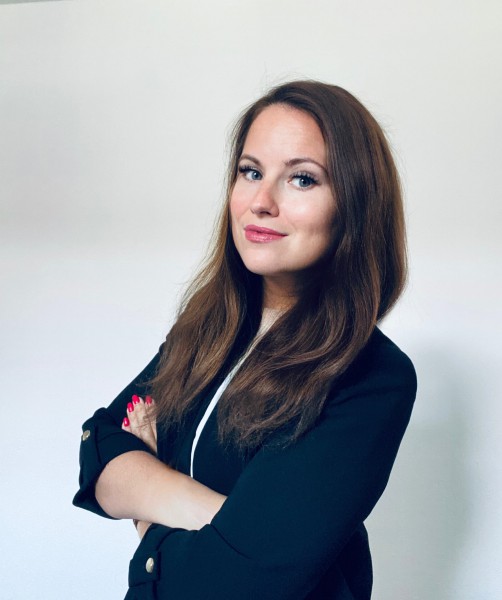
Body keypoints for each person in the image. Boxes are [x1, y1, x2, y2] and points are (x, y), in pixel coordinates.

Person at [73, 80, 417, 599]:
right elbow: (100, 447)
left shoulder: (371, 375)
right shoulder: (206, 328)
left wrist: (146, 512)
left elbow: (238, 582)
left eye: (302, 179)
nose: (261, 201)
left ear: (355, 205)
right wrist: (227, 522)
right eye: (251, 172)